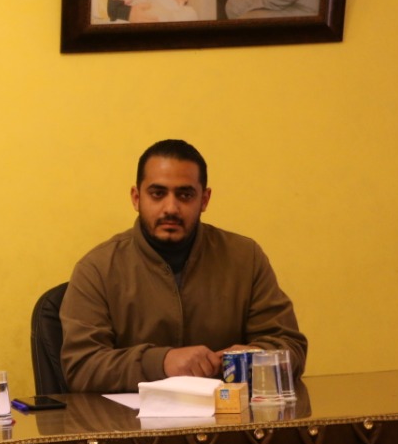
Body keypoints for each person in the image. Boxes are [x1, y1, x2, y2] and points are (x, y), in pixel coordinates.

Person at [60, 140, 307, 392]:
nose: (171, 208)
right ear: (136, 198)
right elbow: (81, 367)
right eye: (157, 194)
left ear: (204, 200)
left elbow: (291, 348)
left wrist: (252, 357)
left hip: (227, 414)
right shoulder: (97, 268)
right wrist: (162, 362)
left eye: (185, 195)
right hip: (130, 417)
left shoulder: (245, 259)